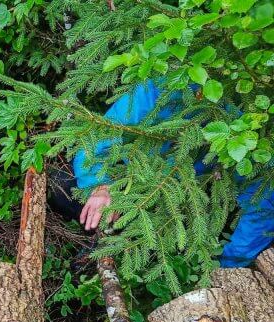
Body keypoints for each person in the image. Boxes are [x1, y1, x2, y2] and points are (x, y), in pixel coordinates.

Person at [67, 80, 274, 267]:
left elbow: (262, 202)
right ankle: (92, 244)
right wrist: (100, 186)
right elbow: (100, 136)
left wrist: (231, 265)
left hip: (190, 201)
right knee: (65, 189)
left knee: (162, 246)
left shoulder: (247, 121)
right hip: (133, 178)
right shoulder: (162, 87)